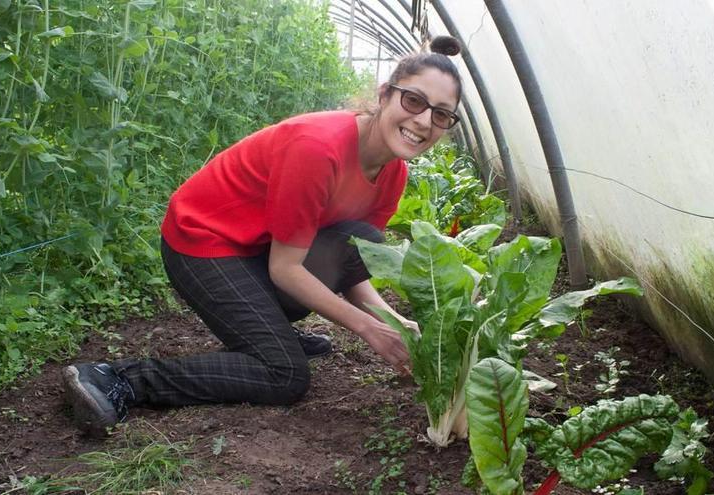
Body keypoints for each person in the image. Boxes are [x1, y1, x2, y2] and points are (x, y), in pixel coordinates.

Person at [62, 36, 465, 436]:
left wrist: (391, 320)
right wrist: (367, 328)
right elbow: (287, 269)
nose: (424, 122)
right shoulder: (319, 148)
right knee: (284, 373)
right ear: (384, 95)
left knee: (363, 240)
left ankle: (268, 331)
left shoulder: (393, 173)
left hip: (257, 251)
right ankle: (119, 379)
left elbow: (351, 263)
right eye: (413, 101)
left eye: (442, 115)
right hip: (203, 243)